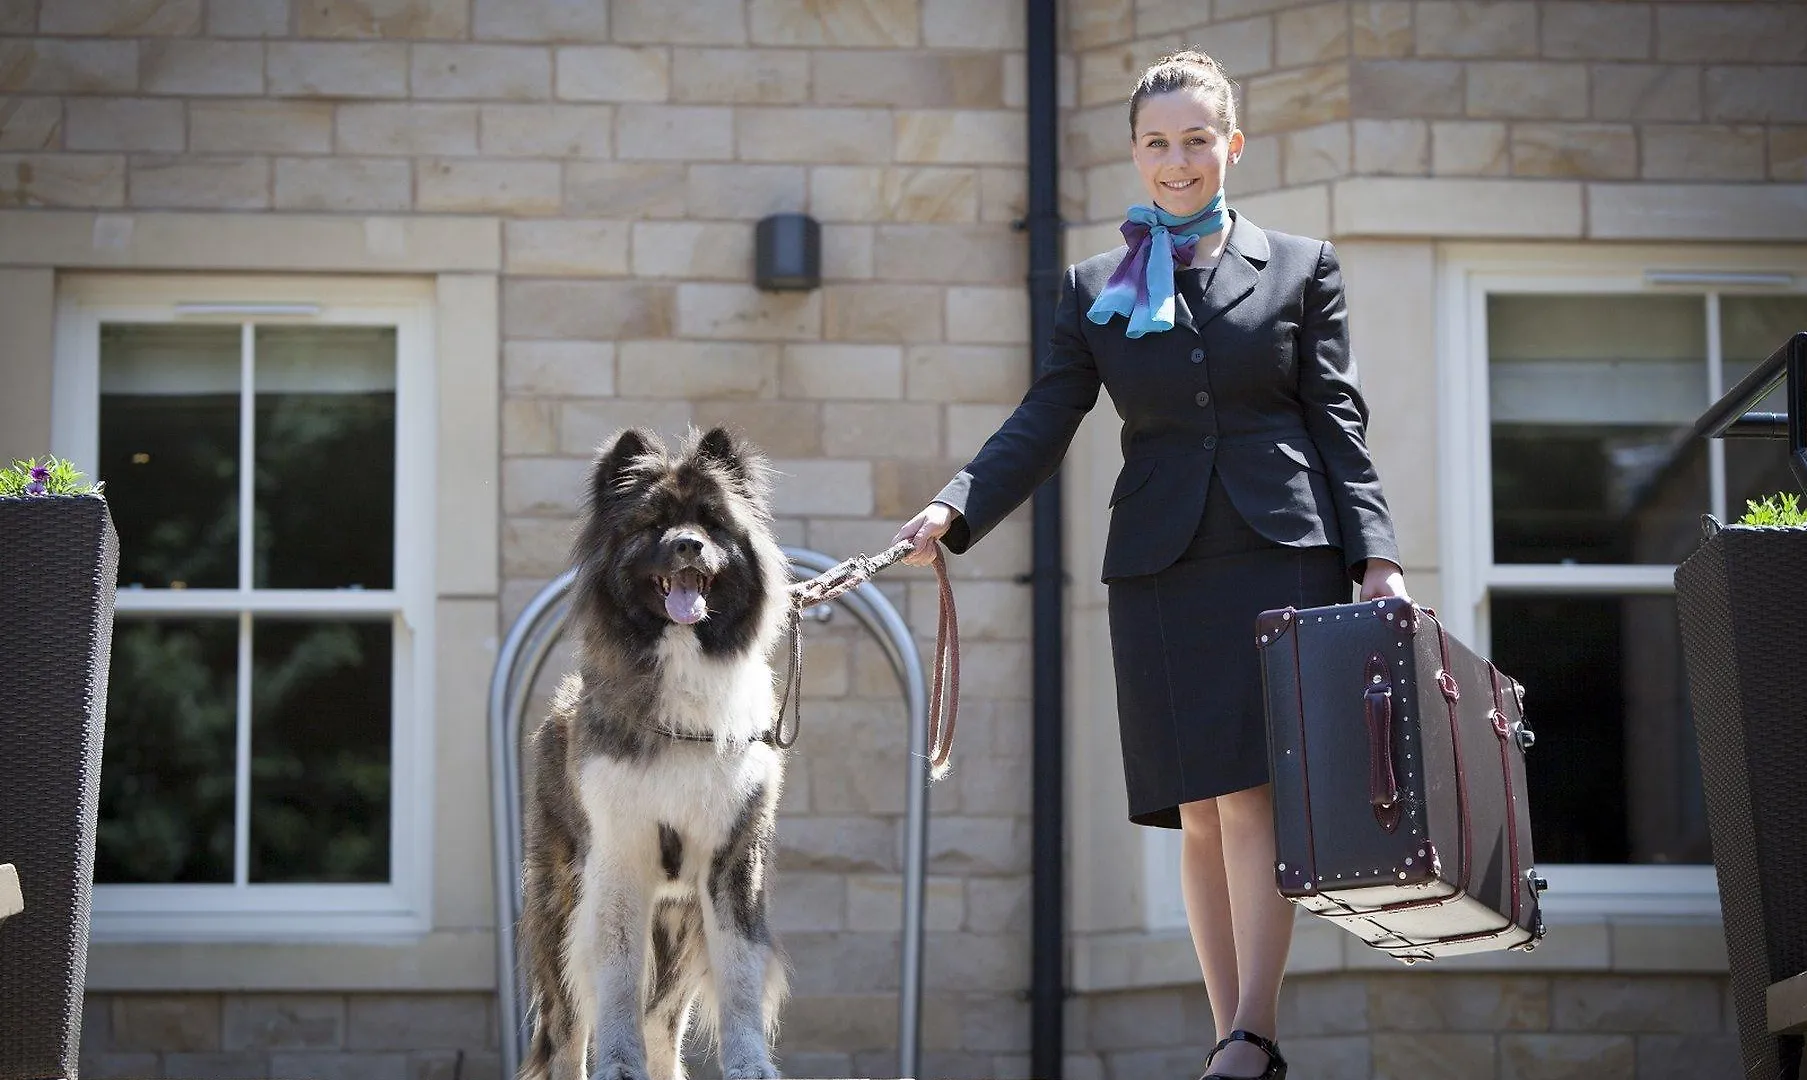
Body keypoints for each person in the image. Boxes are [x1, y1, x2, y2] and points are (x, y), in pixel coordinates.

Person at [893, 50, 1408, 1080]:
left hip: (1281, 552)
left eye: (1197, 140)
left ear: (1233, 146)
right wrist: (957, 501)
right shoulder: (1092, 290)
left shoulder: (1305, 267)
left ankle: (1253, 1031)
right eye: (1157, 144)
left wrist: (1377, 556)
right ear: (1135, 152)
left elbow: (1336, 422)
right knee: (1199, 809)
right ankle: (1234, 1036)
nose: (1178, 162)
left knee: (1256, 793)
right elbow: (1046, 416)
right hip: (1158, 568)